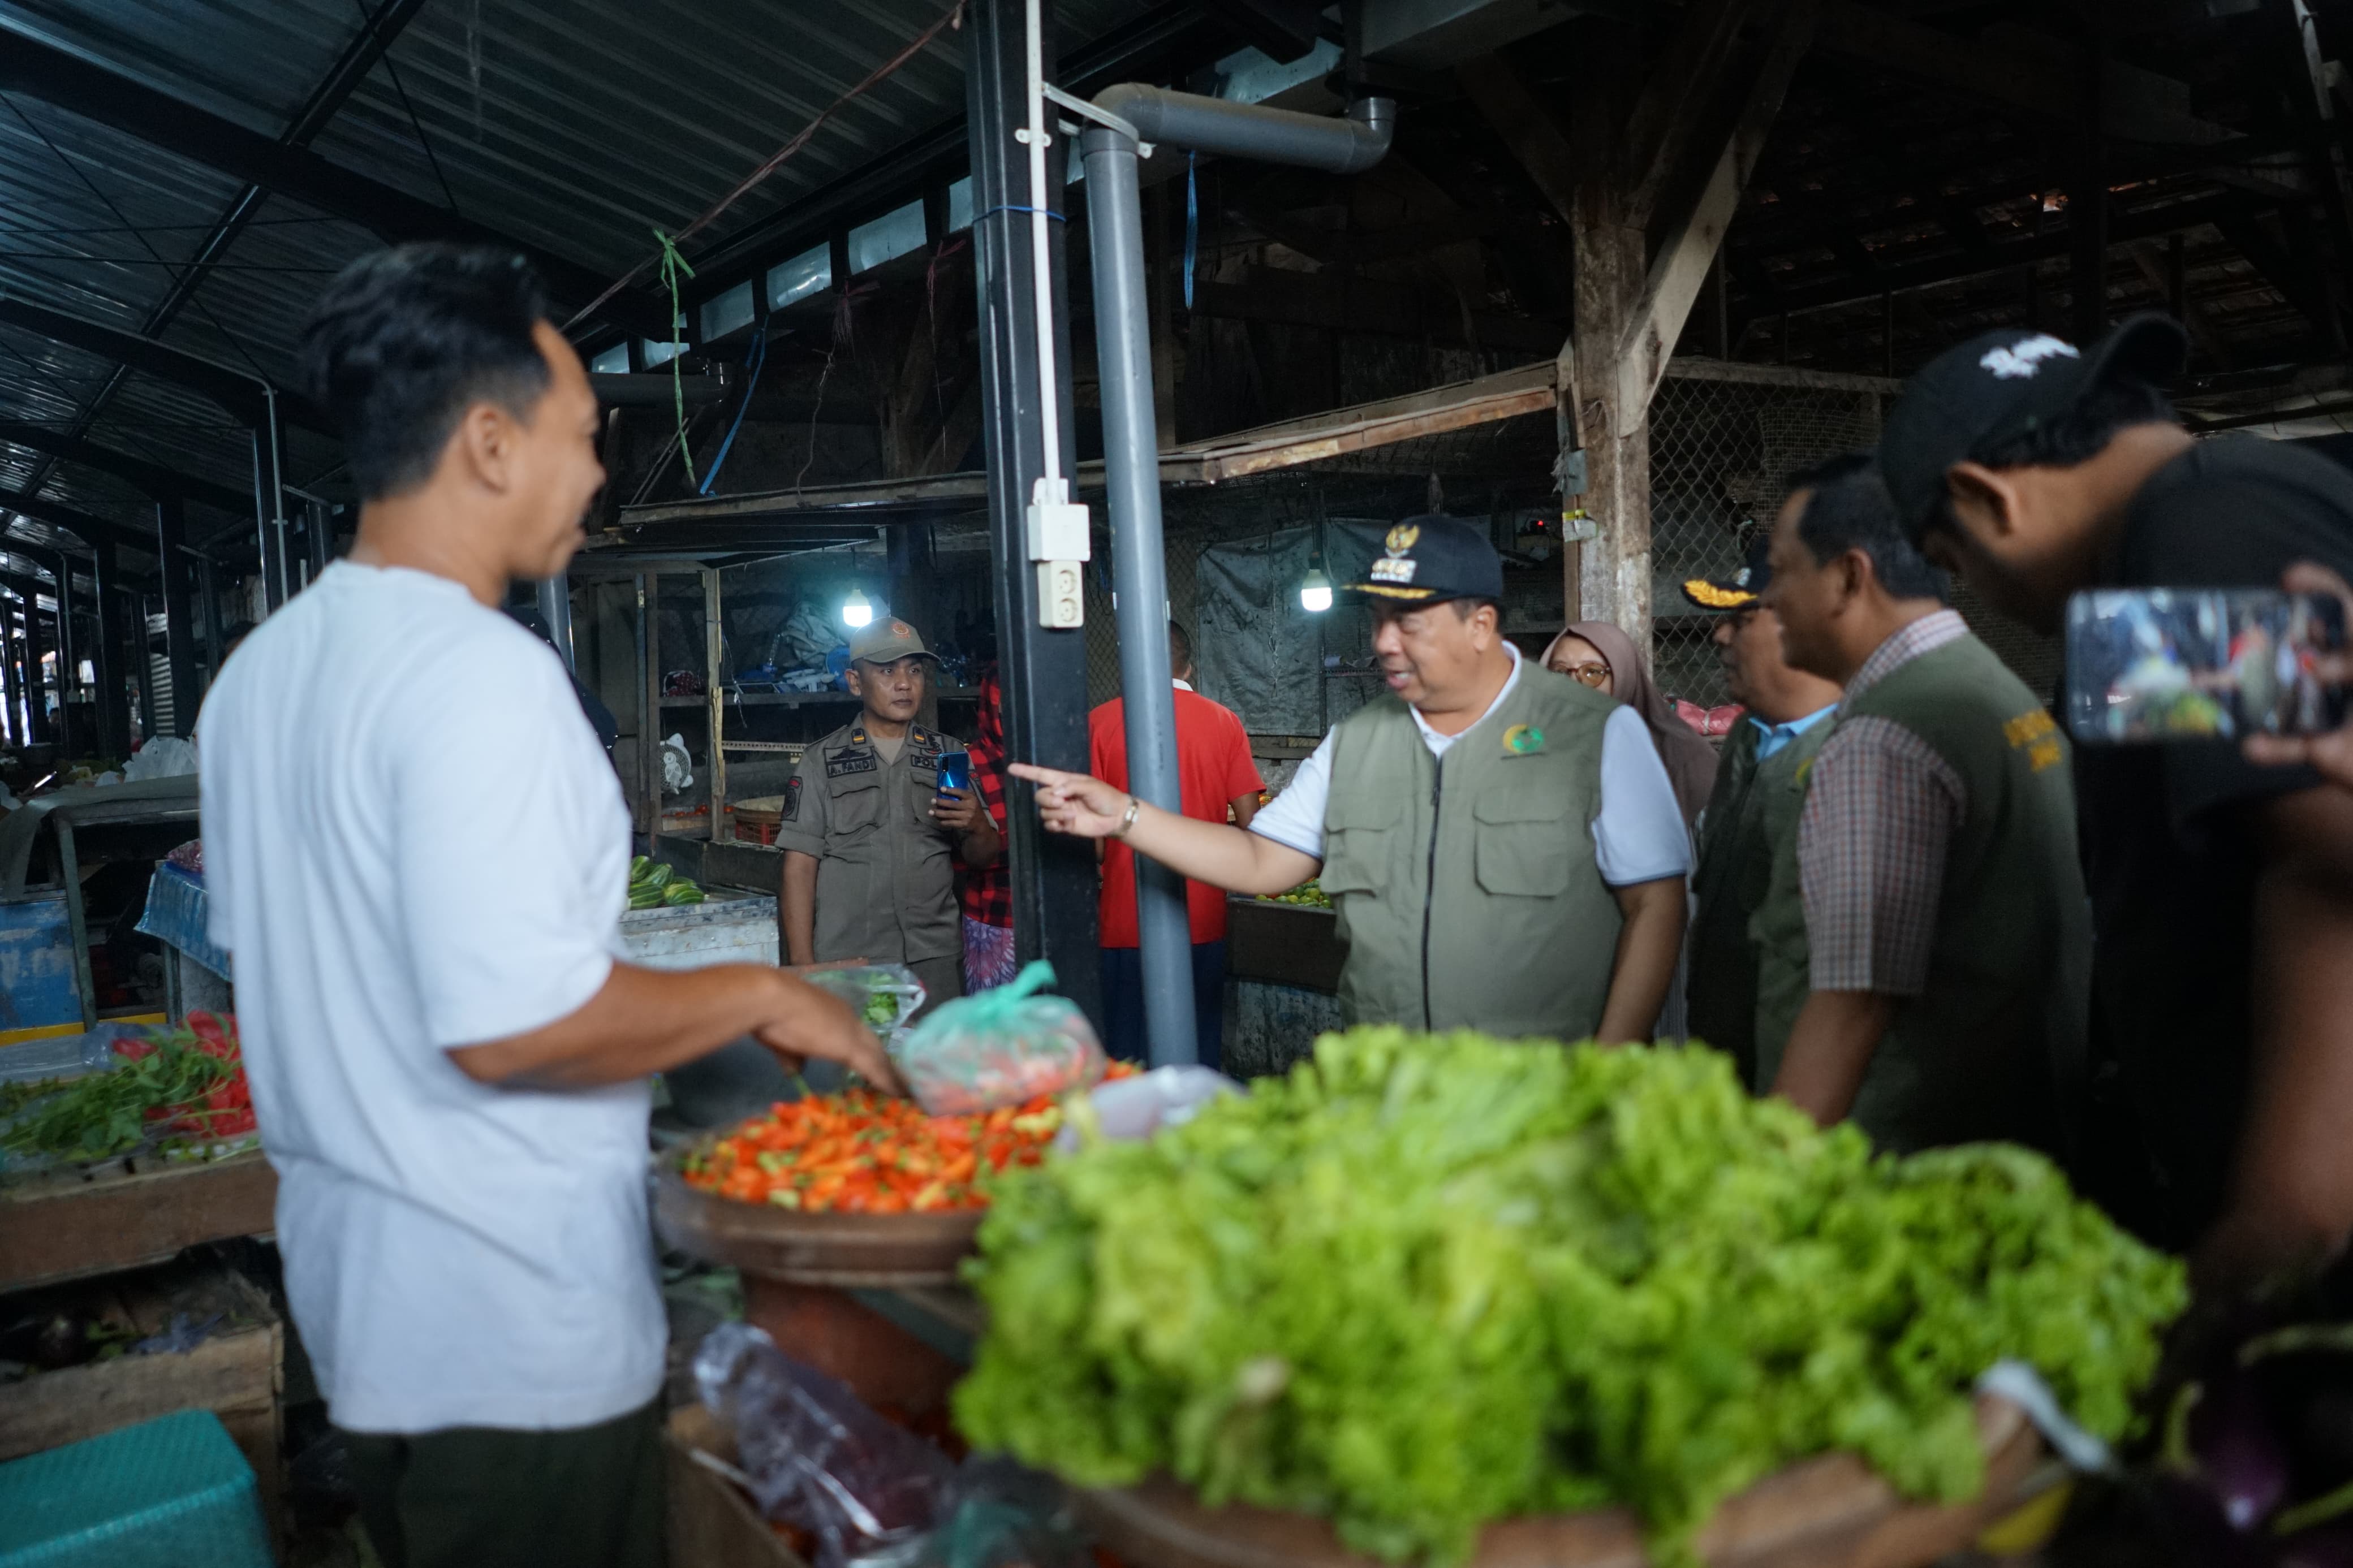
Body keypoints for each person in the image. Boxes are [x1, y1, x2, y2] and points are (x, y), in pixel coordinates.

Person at [197, 244, 894, 1568]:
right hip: (514, 1338)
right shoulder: (480, 679)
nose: (595, 473)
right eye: (580, 436)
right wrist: (765, 988)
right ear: (488, 442)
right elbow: (509, 1025)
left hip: (366, 1325)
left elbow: (308, 981)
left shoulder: (259, 680)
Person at [1882, 313, 2353, 1284]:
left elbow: (2325, 857)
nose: (1975, 591)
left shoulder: (2203, 524)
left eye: (1953, 561)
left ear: (1986, 499)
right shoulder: (2161, 564)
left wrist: (2278, 1220)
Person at [1014, 516, 1691, 1044]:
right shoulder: (1359, 740)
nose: (1384, 642)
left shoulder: (1593, 734)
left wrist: (1609, 1060)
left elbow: (1655, 906)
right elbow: (1260, 859)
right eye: (1376, 618)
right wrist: (1126, 815)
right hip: (1391, 1088)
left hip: (1544, 1086)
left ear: (1480, 624)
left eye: (1410, 622)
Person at [1756, 454, 2088, 1155]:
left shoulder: (1884, 737)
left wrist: (1766, 1181)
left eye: (1782, 569)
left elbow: (1854, 1002)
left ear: (1849, 576)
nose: (1769, 598)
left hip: (1898, 1155)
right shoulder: (1990, 690)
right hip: (2016, 1129)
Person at [1675, 530, 1843, 1082]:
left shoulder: (1858, 754)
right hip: (1728, 1057)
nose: (1717, 634)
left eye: (1743, 619)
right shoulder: (1749, 733)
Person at [777, 617, 1002, 1016]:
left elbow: (983, 856)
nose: (904, 683)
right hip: (852, 961)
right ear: (855, 682)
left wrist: (977, 824)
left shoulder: (946, 754)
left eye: (914, 670)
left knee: (932, 1071)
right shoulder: (821, 761)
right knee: (856, 1073)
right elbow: (799, 866)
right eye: (887, 671)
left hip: (934, 962)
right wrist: (803, 966)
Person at [1089, 620, 1265, 1069]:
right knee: (1197, 1055)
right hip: (1203, 916)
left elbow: (1092, 842)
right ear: (1190, 666)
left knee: (1127, 1061)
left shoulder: (1100, 723)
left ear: (1130, 665)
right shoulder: (1224, 722)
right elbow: (1253, 825)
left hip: (1124, 919)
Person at [1541, 620, 1718, 832]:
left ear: (1624, 676)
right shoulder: (1536, 747)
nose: (1573, 686)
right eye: (1560, 673)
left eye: (1592, 673)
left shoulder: (1682, 757)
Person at [958, 663, 1018, 992]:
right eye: (1010, 700)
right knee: (999, 1035)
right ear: (992, 703)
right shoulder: (970, 763)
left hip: (1059, 916)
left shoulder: (1060, 755)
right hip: (995, 922)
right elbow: (974, 857)